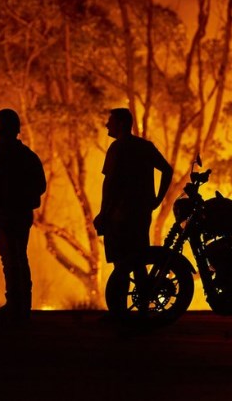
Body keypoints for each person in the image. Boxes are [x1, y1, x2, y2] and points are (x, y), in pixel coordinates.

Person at [93, 108, 173, 312]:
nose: (106, 125)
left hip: (119, 216)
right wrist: (157, 199)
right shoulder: (144, 147)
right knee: (138, 261)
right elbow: (167, 169)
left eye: (110, 121)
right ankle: (143, 308)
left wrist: (104, 213)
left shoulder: (117, 148)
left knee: (121, 264)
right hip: (141, 214)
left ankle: (119, 311)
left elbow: (109, 184)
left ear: (120, 123)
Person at [0, 108, 46, 322]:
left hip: (2, 216)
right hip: (22, 215)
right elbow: (40, 186)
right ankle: (23, 306)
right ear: (17, 129)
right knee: (20, 258)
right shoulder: (28, 156)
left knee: (10, 260)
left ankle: (15, 305)